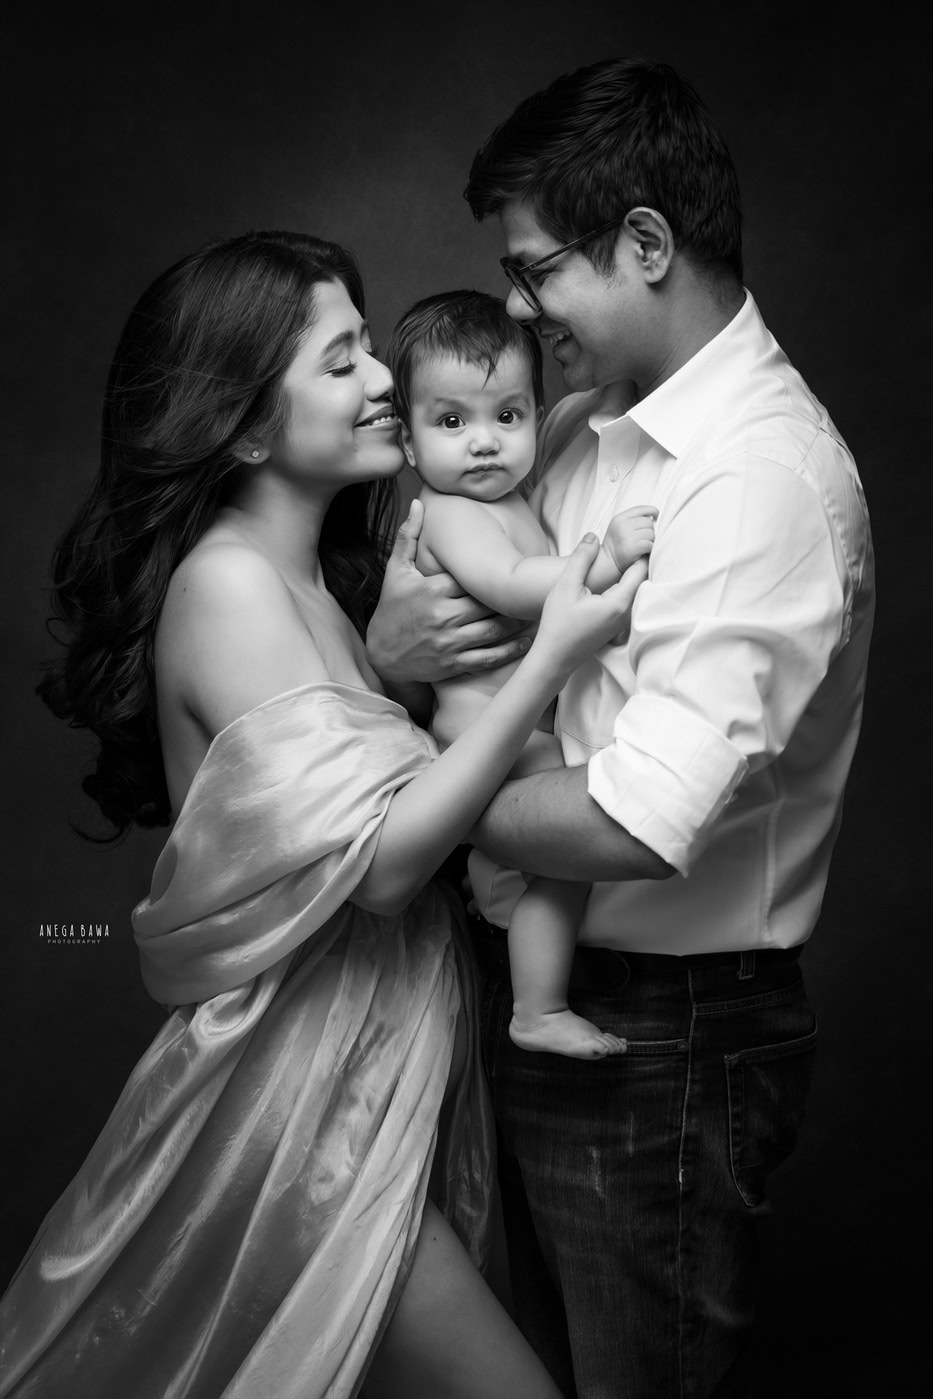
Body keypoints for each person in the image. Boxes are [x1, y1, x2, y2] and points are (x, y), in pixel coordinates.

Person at [0, 231, 648, 1399]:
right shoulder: (232, 582)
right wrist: (553, 653)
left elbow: (351, 773)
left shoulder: (315, 579)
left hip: (360, 1082)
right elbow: (386, 865)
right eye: (341, 356)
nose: (385, 377)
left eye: (367, 343)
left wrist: (396, 667)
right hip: (304, 1119)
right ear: (247, 424)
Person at [365, 58, 875, 1398]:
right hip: (523, 983)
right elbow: (455, 629)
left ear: (643, 243)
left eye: (536, 272)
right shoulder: (585, 433)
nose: (518, 310)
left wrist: (413, 791)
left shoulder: (755, 474)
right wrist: (387, 656)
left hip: (662, 1034)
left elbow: (625, 820)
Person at [388, 288, 655, 1060]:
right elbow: (508, 584)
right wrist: (600, 560)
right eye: (450, 421)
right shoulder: (448, 512)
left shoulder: (514, 499)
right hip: (482, 735)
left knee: (544, 876)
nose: (482, 442)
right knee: (565, 868)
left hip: (510, 729)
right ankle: (536, 1008)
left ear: (536, 419)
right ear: (408, 443)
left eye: (506, 416)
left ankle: (528, 983)